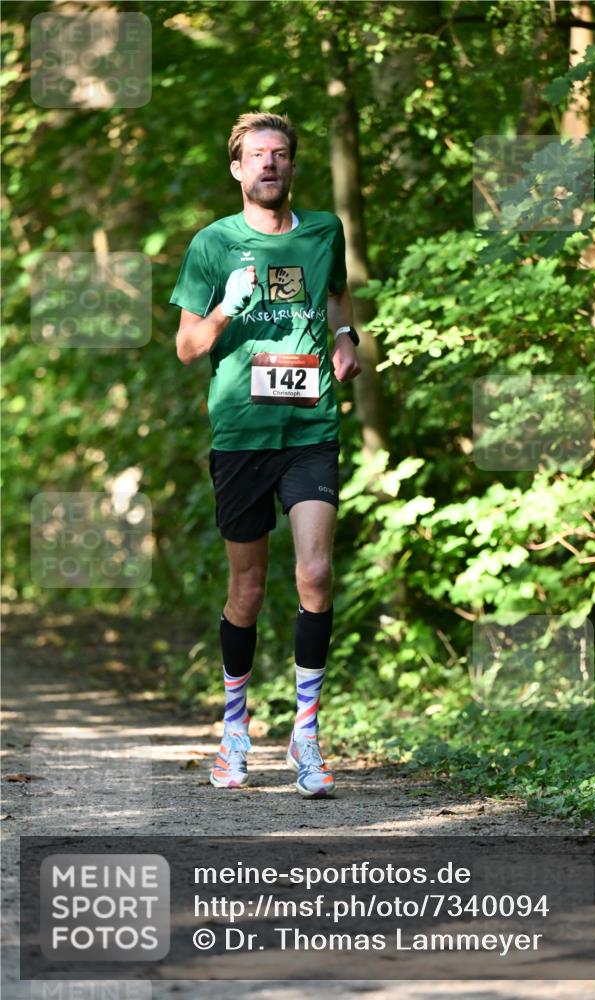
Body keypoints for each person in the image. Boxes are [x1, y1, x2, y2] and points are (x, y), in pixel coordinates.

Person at [170, 112, 362, 799]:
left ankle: (305, 735)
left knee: (315, 573)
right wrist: (226, 309)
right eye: (257, 156)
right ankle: (234, 732)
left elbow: (336, 294)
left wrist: (345, 341)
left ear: (291, 166)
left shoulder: (321, 233)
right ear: (237, 168)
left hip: (309, 429)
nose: (269, 164)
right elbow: (188, 347)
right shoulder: (212, 245)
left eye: (280, 154)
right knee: (246, 593)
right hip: (241, 436)